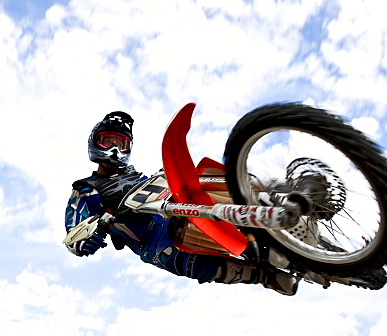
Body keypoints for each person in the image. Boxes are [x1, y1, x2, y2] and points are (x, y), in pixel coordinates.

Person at [64, 111, 298, 294]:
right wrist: (88, 237)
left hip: (167, 202)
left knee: (201, 178)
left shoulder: (137, 177)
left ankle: (284, 188)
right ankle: (264, 277)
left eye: (121, 143)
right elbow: (74, 231)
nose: (115, 149)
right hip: (149, 238)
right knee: (183, 259)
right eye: (108, 141)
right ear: (94, 143)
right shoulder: (85, 188)